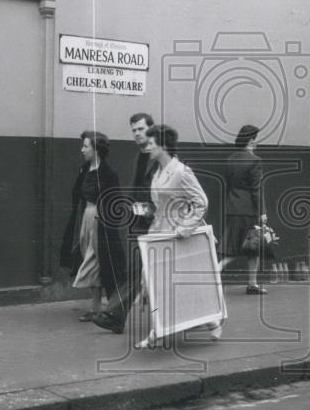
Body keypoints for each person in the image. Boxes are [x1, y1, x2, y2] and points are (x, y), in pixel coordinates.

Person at [95, 124, 224, 347]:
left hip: (179, 235)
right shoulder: (157, 172)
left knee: (175, 283)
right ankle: (170, 328)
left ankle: (205, 322)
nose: (148, 146)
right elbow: (160, 204)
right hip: (159, 232)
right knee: (154, 281)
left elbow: (201, 202)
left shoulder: (181, 171)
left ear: (163, 146)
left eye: (152, 143)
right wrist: (147, 210)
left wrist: (185, 228)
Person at [89, 112, 158, 333]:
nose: (136, 134)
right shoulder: (139, 156)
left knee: (140, 271)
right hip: (137, 224)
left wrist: (143, 208)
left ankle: (115, 314)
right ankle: (116, 316)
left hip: (156, 224)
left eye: (140, 129)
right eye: (134, 130)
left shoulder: (160, 157)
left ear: (151, 129)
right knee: (135, 271)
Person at [60, 131, 126, 320]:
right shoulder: (84, 169)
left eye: (85, 146)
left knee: (94, 260)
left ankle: (109, 307)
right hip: (85, 219)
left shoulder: (108, 174)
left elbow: (116, 202)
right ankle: (97, 307)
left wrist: (103, 220)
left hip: (99, 221)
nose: (82, 149)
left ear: (96, 150)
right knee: (89, 258)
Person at [219, 123, 267, 295]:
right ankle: (217, 274)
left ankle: (252, 284)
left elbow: (228, 185)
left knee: (238, 247)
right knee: (251, 248)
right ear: (251, 140)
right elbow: (256, 190)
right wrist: (262, 211)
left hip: (233, 208)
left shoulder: (230, 159)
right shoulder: (255, 161)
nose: (257, 142)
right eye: (256, 139)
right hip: (248, 210)